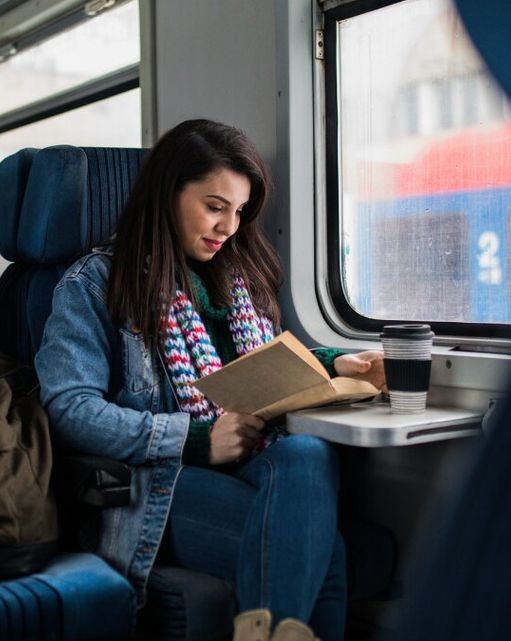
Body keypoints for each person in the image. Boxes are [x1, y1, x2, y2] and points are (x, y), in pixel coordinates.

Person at [36, 118, 386, 641]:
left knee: (308, 454)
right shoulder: (93, 284)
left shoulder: (237, 279)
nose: (229, 228)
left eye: (240, 212)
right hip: (157, 479)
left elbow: (265, 361)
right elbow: (70, 409)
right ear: (167, 195)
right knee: (325, 551)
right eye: (215, 206)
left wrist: (336, 361)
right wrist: (195, 439)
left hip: (249, 460)